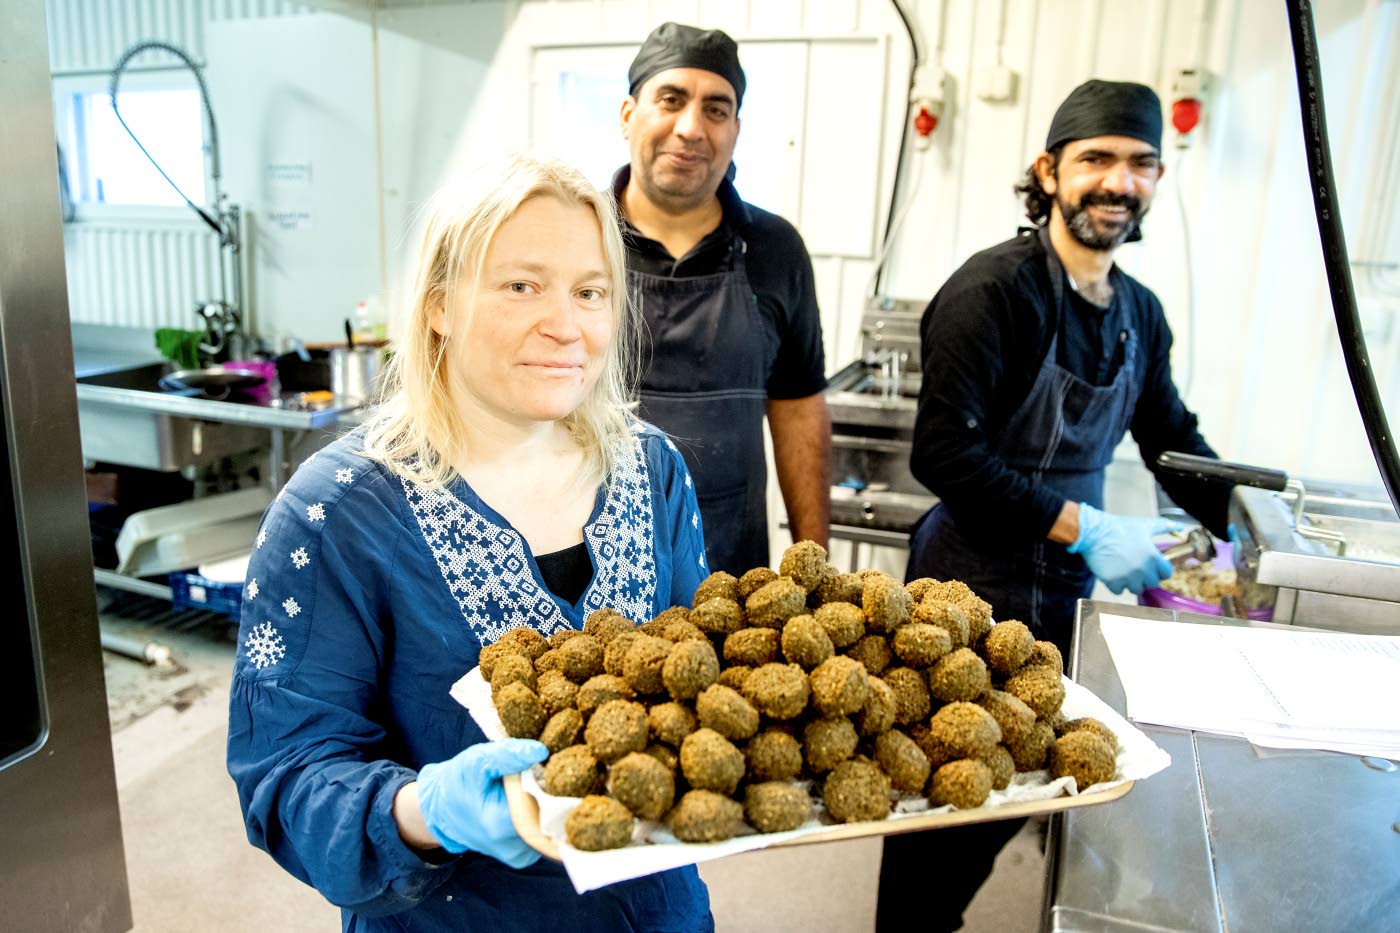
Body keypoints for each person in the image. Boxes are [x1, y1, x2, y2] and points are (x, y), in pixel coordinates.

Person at [227, 155, 714, 932]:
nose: (565, 323)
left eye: (590, 292)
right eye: (521, 285)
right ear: (438, 305)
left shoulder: (651, 466)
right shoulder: (335, 512)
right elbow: (283, 775)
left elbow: (712, 670)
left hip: (652, 910)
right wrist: (423, 811)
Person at [878, 80, 1229, 932]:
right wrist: (1089, 524)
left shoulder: (1139, 315)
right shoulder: (992, 292)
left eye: (1141, 164)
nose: (1120, 182)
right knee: (944, 800)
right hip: (967, 587)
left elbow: (1170, 436)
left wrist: (1242, 526)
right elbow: (946, 455)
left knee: (1041, 767)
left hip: (1065, 592)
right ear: (1050, 171)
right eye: (1097, 159)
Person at [614, 21, 831, 576]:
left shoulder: (775, 249)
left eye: (715, 109)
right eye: (671, 99)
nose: (691, 128)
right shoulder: (576, 238)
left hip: (730, 561)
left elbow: (799, 407)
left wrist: (817, 565)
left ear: (735, 129)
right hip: (592, 557)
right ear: (628, 114)